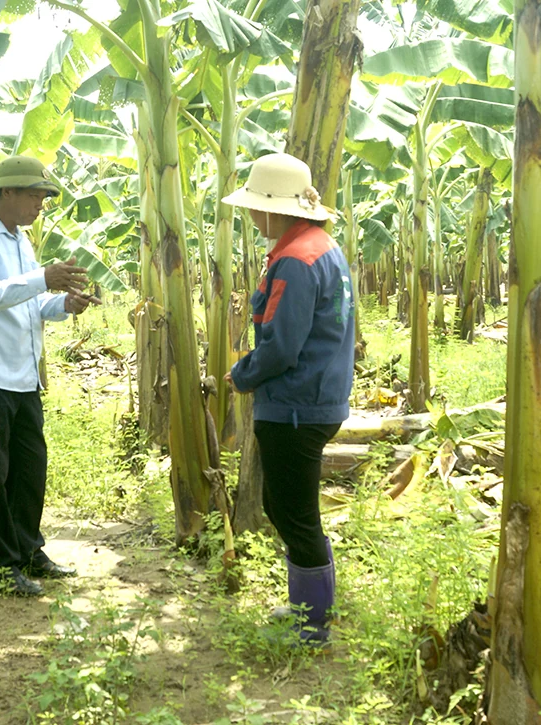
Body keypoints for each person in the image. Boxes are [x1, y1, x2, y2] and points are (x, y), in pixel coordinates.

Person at [0, 156, 100, 597]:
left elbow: (28, 304)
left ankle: (29, 551)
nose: (40, 205)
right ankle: (0, 565)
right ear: (7, 192)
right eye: (34, 196)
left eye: (44, 198)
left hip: (22, 375)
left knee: (30, 469)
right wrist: (42, 278)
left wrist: (63, 304)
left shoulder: (21, 242)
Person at [223, 153, 355, 645]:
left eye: (254, 205)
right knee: (283, 507)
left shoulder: (296, 260)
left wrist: (243, 374)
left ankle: (313, 624)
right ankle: (309, 606)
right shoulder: (321, 247)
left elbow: (281, 346)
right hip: (318, 396)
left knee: (294, 514)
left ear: (273, 207)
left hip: (297, 404)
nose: (250, 214)